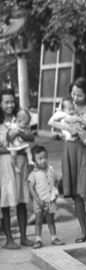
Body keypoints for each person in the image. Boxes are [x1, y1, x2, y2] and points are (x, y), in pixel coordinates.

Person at [52, 78, 86, 242]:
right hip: (70, 150)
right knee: (76, 194)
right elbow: (54, 125)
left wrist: (81, 120)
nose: (75, 98)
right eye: (73, 94)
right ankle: (83, 230)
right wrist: (66, 128)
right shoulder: (67, 106)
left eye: (79, 95)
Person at [0, 89, 34, 248]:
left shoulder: (19, 118)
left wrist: (20, 134)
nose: (10, 105)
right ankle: (9, 239)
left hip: (21, 162)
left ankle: (23, 236)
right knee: (6, 200)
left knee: (22, 199)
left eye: (12, 101)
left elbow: (31, 137)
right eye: (6, 102)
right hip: (5, 164)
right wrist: (10, 144)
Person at [27, 145, 64, 247]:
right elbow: (31, 188)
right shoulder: (33, 174)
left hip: (50, 200)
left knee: (50, 219)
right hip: (39, 201)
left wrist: (55, 193)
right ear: (34, 161)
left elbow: (55, 182)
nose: (43, 160)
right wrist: (37, 200)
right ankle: (38, 239)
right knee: (38, 220)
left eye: (45, 158)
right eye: (40, 159)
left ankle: (54, 238)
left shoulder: (51, 169)